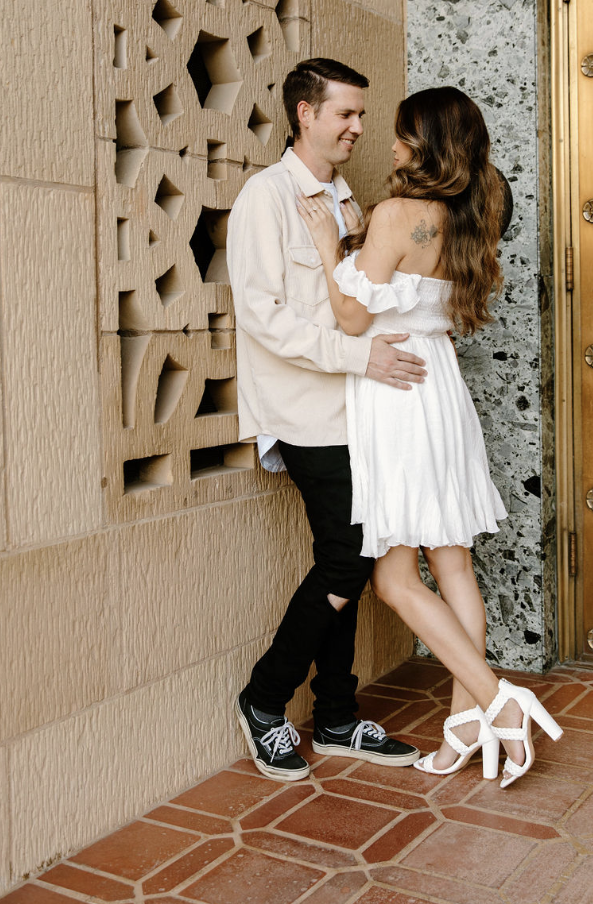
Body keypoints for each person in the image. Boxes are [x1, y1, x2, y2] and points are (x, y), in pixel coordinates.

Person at [297, 87, 563, 785]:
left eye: (402, 135)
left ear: (429, 143)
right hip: (439, 388)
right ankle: (467, 725)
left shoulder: (397, 215)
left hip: (397, 394)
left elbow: (354, 321)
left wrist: (331, 247)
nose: (392, 146)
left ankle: (498, 701)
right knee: (452, 565)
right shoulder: (475, 210)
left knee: (391, 576)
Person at [226, 57, 427, 781]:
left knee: (352, 555)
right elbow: (264, 319)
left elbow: (361, 301)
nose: (358, 127)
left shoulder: (347, 199)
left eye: (362, 114)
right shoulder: (265, 197)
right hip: (307, 411)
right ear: (305, 113)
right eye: (345, 113)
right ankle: (264, 696)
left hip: (359, 409)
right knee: (348, 560)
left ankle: (338, 717)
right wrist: (357, 357)